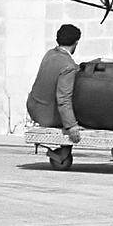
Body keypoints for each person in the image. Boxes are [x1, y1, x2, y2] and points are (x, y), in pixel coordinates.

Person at [26, 24, 83, 160]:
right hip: (46, 114)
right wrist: (72, 126)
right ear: (76, 43)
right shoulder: (68, 65)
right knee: (79, 109)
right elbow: (63, 99)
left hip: (33, 106)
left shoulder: (50, 54)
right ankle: (63, 153)